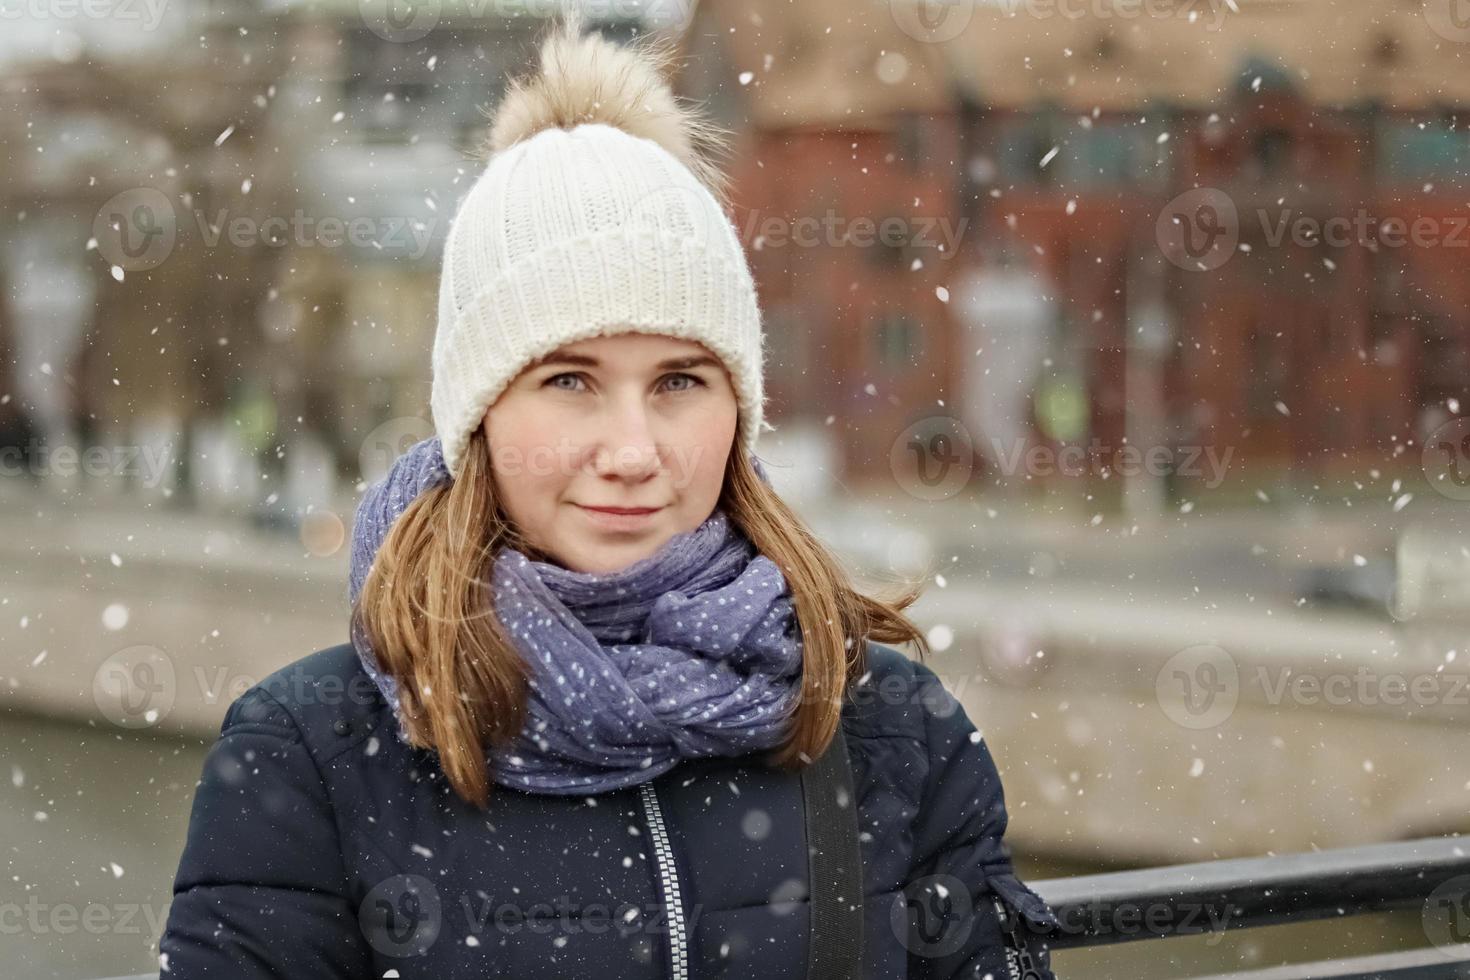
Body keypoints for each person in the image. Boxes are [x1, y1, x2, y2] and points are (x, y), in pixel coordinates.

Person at [157, 11, 1059, 978]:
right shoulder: (315, 755)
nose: (632, 452)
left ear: (738, 412)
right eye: (569, 381)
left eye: (679, 382)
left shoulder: (885, 727)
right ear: (480, 415)